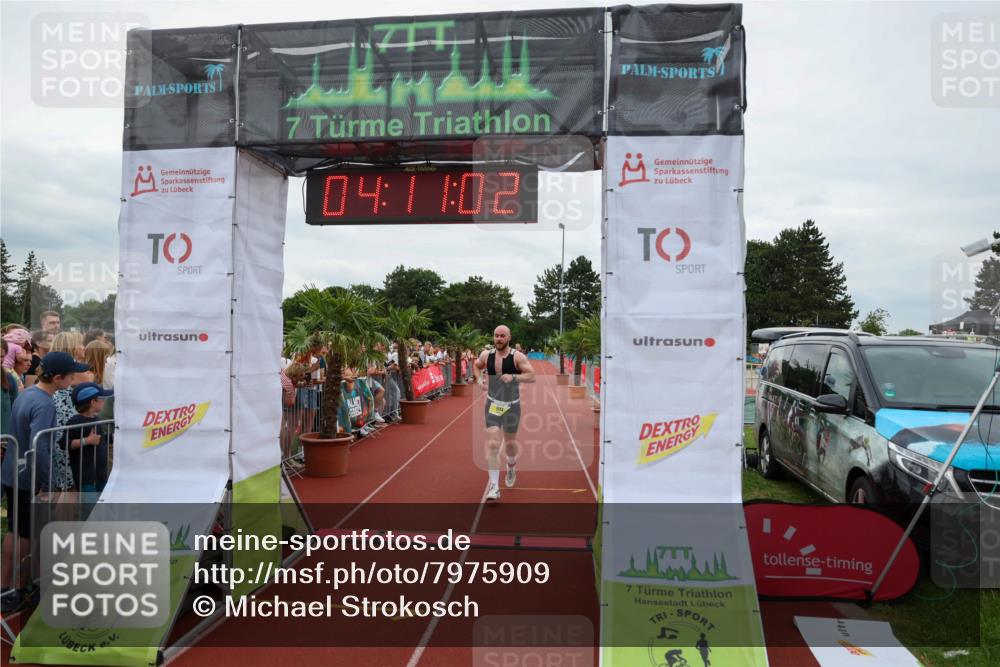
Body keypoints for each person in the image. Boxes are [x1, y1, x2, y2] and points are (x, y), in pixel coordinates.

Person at [1, 351, 88, 612]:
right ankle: (14, 589)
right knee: (26, 533)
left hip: (13, 472)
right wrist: (49, 483)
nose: (74, 379)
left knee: (17, 530)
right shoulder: (45, 404)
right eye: (71, 375)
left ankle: (9, 585)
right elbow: (41, 447)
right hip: (28, 476)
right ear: (58, 378)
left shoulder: (28, 392)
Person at [473, 325, 535, 502]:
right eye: (496, 336)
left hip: (512, 406)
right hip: (492, 404)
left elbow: (532, 375)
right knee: (492, 444)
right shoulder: (487, 355)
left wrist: (514, 377)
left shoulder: (517, 357)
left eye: (502, 336)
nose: (498, 338)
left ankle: (511, 463)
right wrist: (479, 378)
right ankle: (494, 487)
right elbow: (476, 366)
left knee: (510, 445)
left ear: (508, 338)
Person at [65, 382, 113, 494]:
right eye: (102, 398)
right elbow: (65, 443)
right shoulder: (75, 422)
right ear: (93, 402)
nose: (104, 401)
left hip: (101, 474)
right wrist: (87, 441)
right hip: (86, 478)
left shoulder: (97, 419)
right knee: (89, 509)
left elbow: (103, 440)